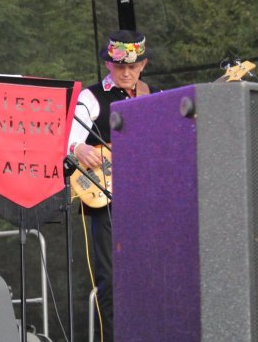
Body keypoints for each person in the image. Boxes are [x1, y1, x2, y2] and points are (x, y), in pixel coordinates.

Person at [68, 29, 157, 342]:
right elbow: (71, 132)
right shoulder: (91, 97)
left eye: (133, 66)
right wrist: (79, 148)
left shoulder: (154, 95)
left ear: (143, 65)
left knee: (152, 273)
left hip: (147, 198)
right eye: (120, 66)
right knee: (112, 279)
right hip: (106, 199)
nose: (127, 72)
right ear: (109, 65)